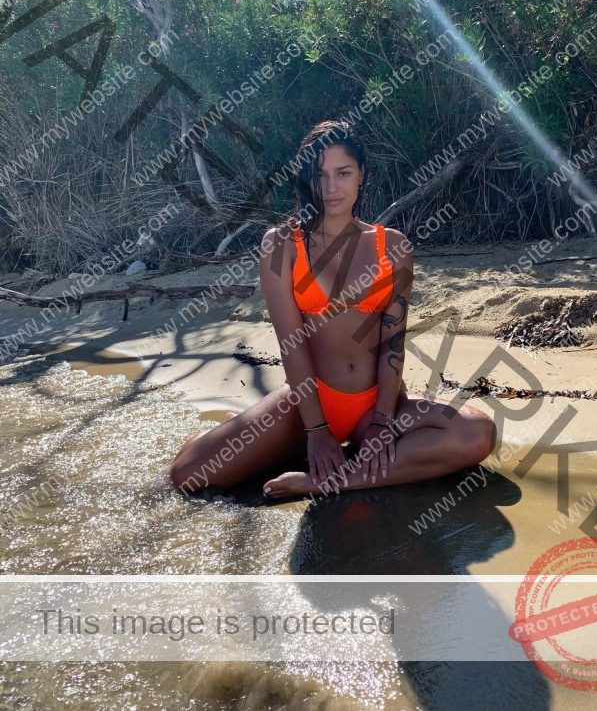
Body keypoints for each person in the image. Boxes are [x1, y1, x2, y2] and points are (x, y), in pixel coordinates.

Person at [170, 120, 495, 498]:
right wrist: (317, 432)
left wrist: (382, 422)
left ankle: (325, 481)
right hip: (307, 404)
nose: (330, 187)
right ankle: (274, 439)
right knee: (188, 474)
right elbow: (291, 343)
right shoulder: (282, 245)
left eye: (343, 173)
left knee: (476, 433)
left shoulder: (393, 247)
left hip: (377, 403)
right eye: (319, 174)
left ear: (361, 176)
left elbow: (393, 344)